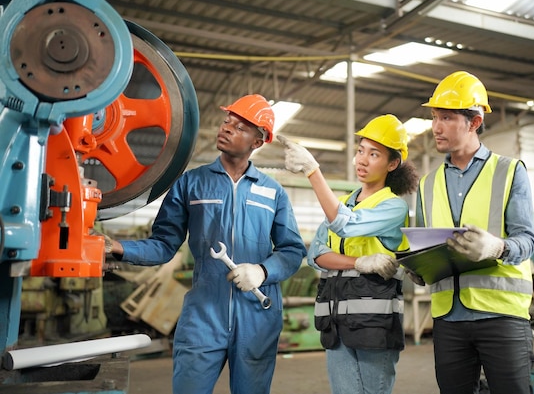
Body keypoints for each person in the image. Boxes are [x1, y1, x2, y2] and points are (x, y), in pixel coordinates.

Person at [105, 94, 307, 394]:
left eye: (240, 127)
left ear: (258, 141)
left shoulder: (273, 192)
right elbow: (163, 244)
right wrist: (119, 249)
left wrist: (263, 272)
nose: (226, 128)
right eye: (227, 121)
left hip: (257, 316)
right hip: (203, 315)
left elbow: (292, 250)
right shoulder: (191, 183)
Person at [414, 71, 534, 394]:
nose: (436, 127)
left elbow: (527, 240)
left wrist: (497, 247)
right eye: (434, 117)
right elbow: (422, 243)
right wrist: (415, 266)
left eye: (446, 117)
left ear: (474, 121)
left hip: (502, 316)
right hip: (449, 320)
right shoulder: (427, 185)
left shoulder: (510, 172)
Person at [277, 114, 419, 394]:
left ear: (393, 164)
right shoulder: (341, 203)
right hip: (335, 320)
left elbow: (346, 226)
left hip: (374, 323)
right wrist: (360, 262)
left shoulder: (393, 207)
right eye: (360, 151)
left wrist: (313, 171)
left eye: (374, 154)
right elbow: (316, 254)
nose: (362, 160)